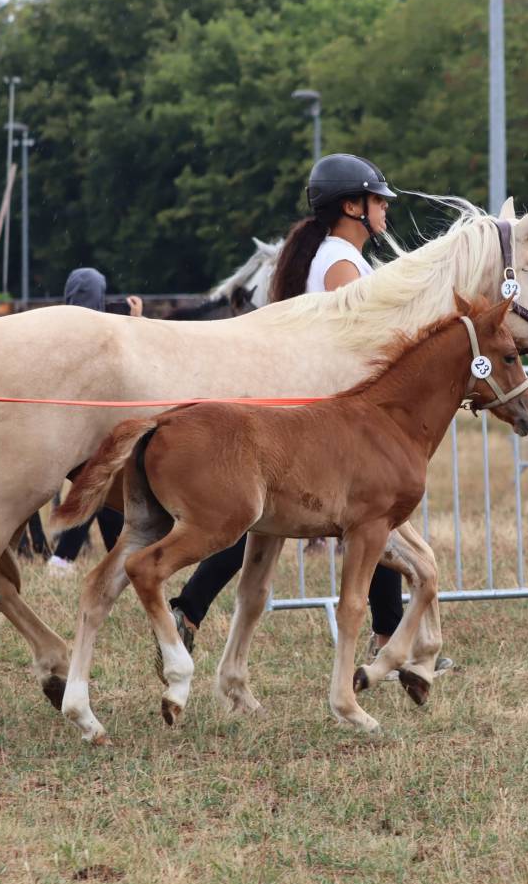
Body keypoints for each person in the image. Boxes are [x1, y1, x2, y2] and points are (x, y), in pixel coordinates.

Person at [165, 153, 453, 673]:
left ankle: (194, 611)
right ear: (352, 206)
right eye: (377, 199)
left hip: (324, 413)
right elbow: (370, 338)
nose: (386, 208)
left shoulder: (335, 255)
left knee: (283, 518)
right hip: (329, 418)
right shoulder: (341, 262)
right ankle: (388, 633)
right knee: (365, 510)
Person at [47, 267, 143, 575]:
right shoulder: (107, 329)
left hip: (70, 426)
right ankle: (64, 558)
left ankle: (110, 557)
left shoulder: (57, 329)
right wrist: (136, 321)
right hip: (101, 424)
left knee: (101, 488)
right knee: (99, 486)